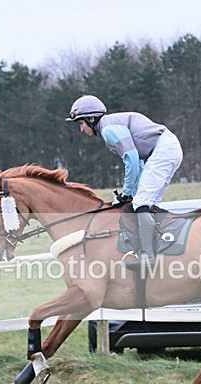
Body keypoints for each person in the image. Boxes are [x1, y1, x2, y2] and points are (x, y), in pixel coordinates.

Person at [66, 95, 183, 269]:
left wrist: (126, 192)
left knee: (142, 202)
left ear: (91, 118)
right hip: (164, 148)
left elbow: (132, 159)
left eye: (81, 123)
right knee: (145, 203)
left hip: (163, 148)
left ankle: (148, 256)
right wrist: (130, 192)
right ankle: (163, 242)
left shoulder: (108, 129)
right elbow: (138, 163)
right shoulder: (110, 125)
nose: (81, 129)